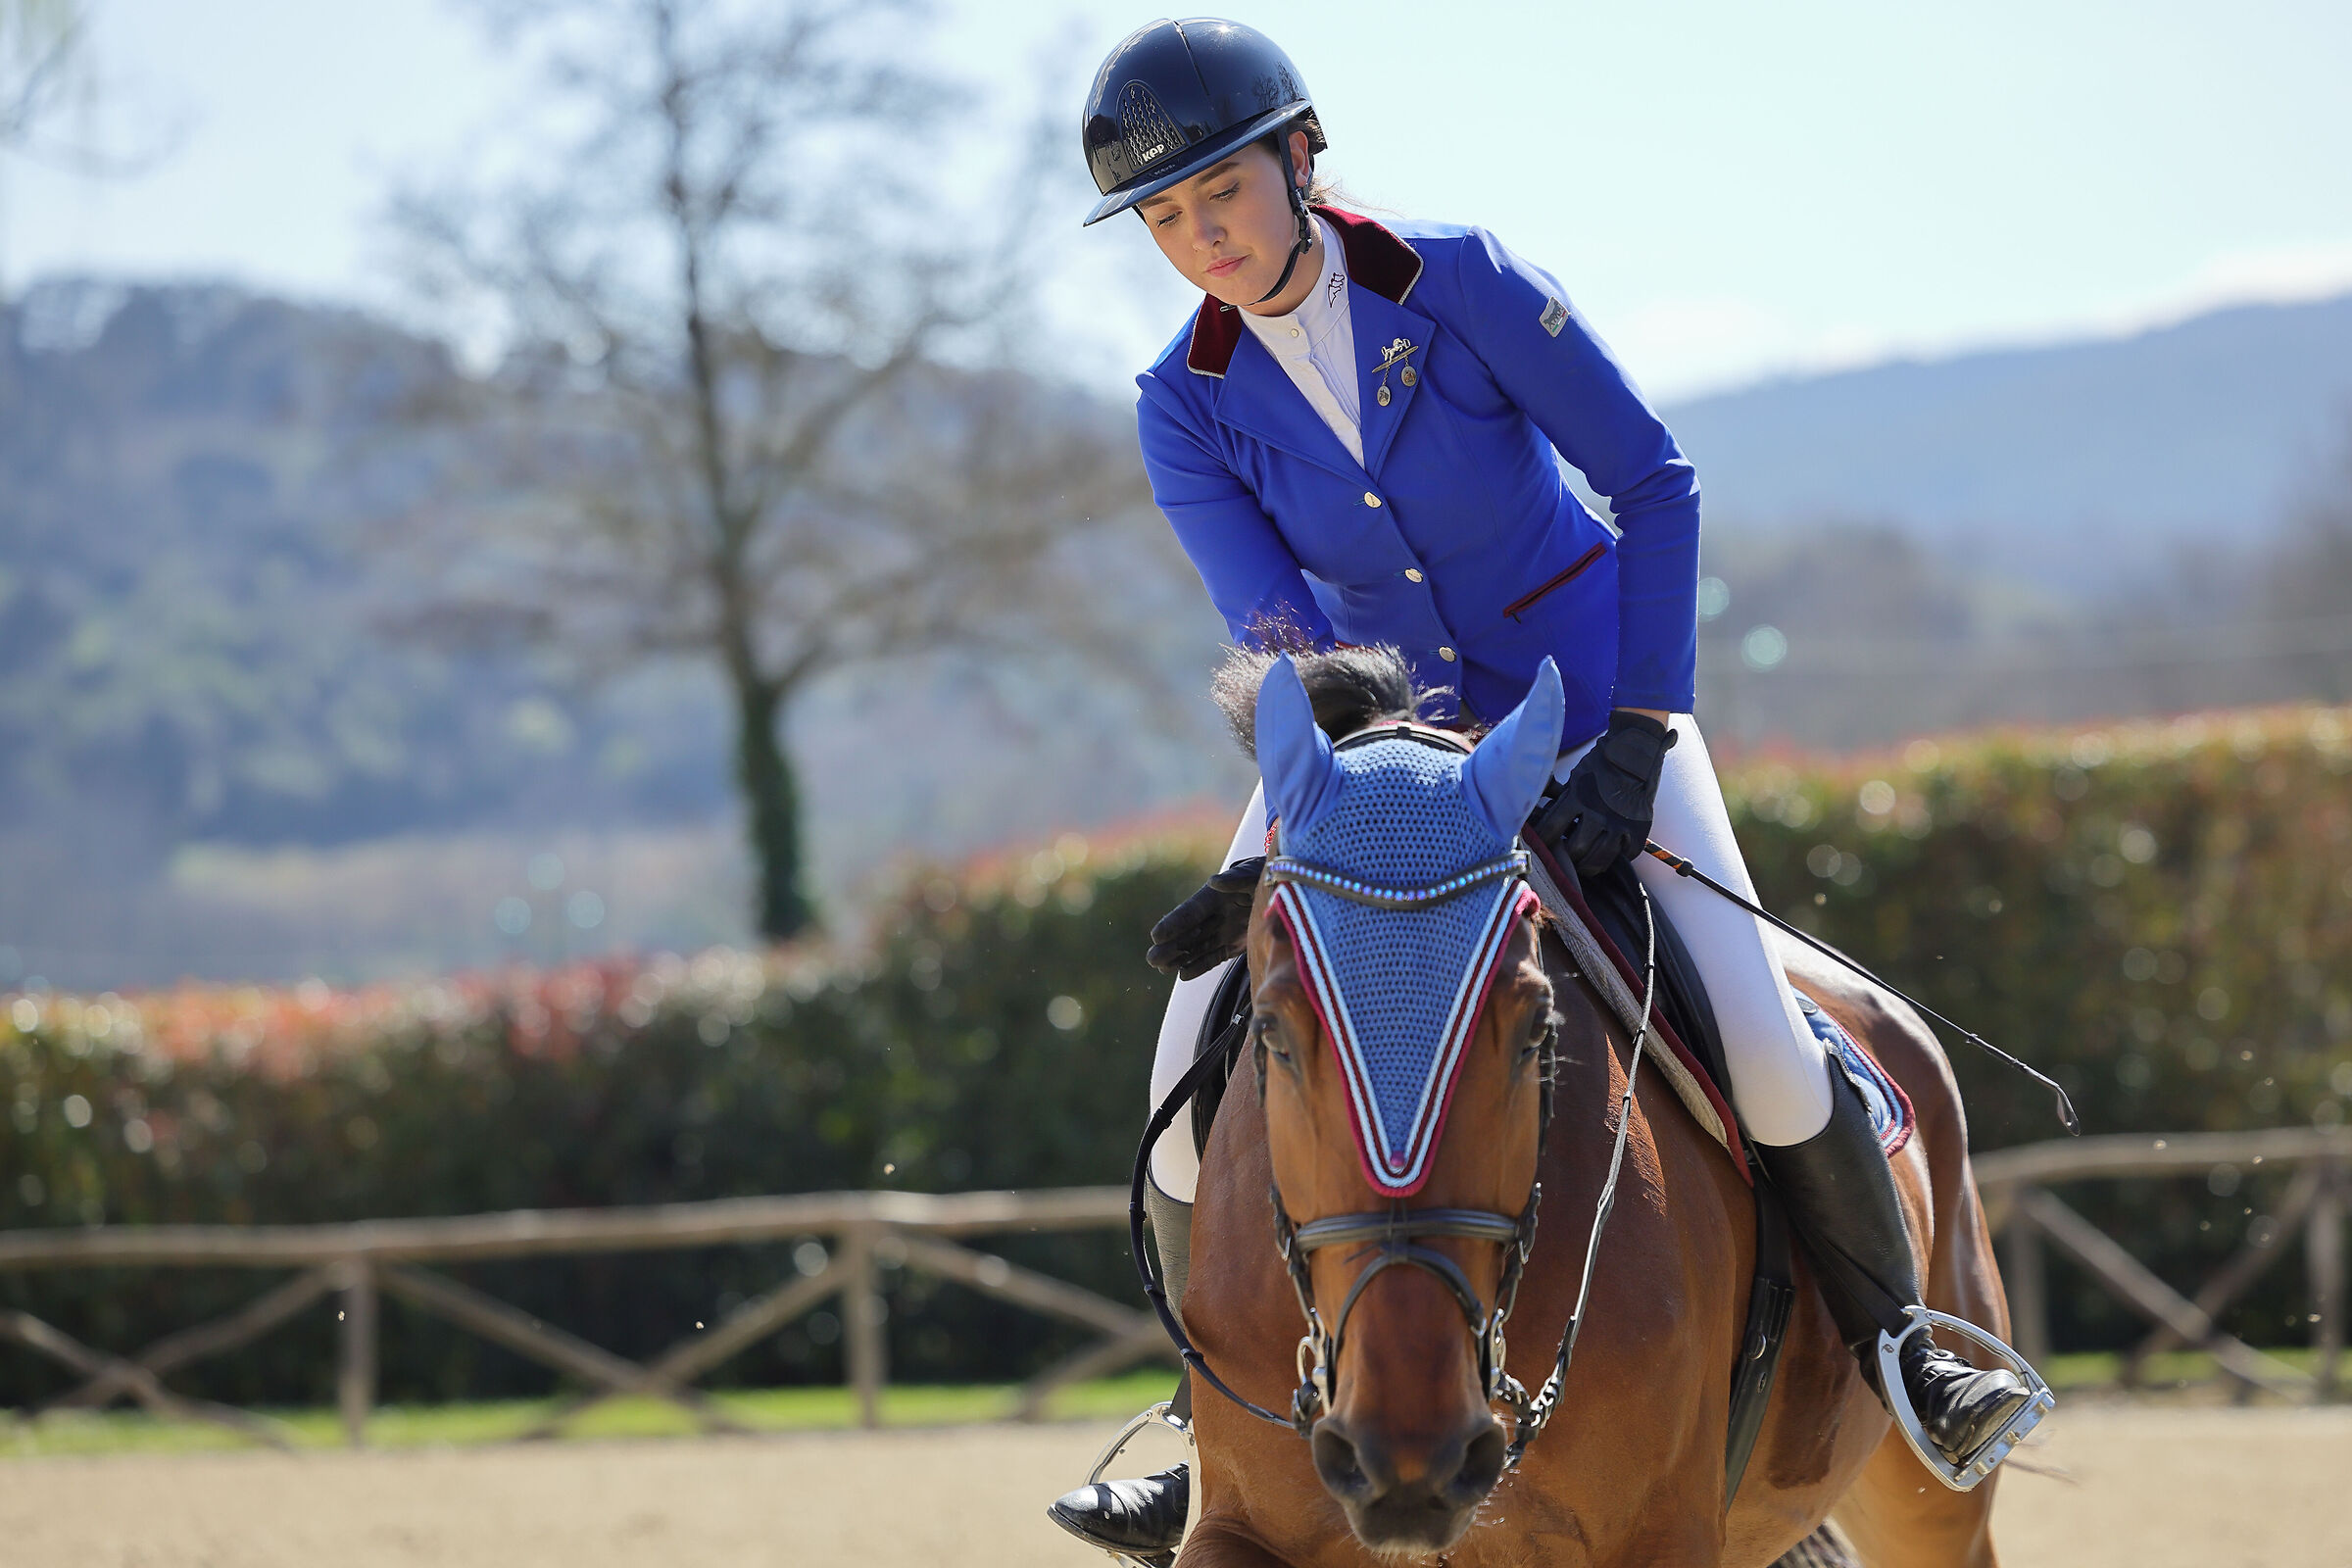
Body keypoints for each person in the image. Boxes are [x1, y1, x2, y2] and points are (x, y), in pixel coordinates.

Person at [1049, 20, 2036, 1564]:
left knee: (1766, 1043)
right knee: (1186, 1082)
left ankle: (1909, 1348)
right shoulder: (1184, 402)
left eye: (1219, 191)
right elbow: (1285, 638)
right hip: (1367, 752)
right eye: (1163, 219)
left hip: (1592, 716)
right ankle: (1216, 1416)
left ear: (1302, 156)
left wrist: (1644, 727)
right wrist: (1337, 813)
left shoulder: (1463, 285)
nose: (1200, 237)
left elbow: (1653, 482)